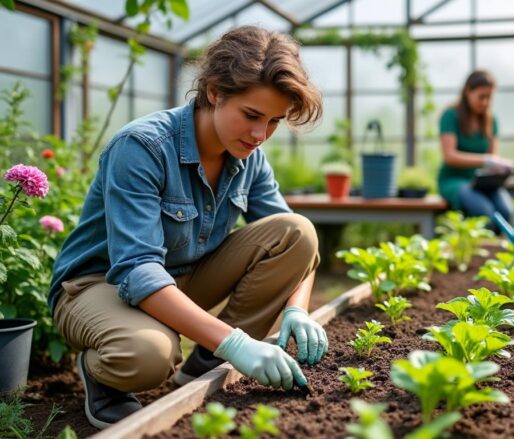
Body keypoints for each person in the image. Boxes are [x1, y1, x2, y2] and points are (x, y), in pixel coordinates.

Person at [48, 26, 328, 429]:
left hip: (181, 279)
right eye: (251, 115)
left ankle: (203, 367)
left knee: (296, 231)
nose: (259, 135)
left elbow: (300, 246)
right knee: (145, 356)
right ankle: (102, 375)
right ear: (214, 91)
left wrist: (297, 310)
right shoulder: (142, 148)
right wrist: (236, 342)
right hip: (98, 286)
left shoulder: (249, 157)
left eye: (273, 122)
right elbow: (136, 269)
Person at [438, 70, 514, 229]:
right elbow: (449, 156)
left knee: (506, 210)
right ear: (468, 91)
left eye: (489, 97)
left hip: (482, 181)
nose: (486, 102)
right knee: (483, 211)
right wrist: (485, 159)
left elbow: (493, 156)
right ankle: (479, 252)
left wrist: (501, 166)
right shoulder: (451, 116)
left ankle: (496, 251)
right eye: (481, 97)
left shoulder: (491, 120)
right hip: (454, 180)